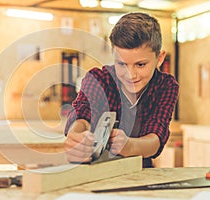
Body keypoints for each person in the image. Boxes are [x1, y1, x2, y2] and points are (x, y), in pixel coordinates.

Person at [63, 12, 179, 168]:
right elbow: (82, 114)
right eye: (122, 64)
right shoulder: (98, 79)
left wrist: (129, 146)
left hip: (140, 171)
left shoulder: (165, 86)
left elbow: (156, 138)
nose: (130, 75)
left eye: (140, 65)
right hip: (93, 171)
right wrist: (75, 135)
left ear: (159, 58)